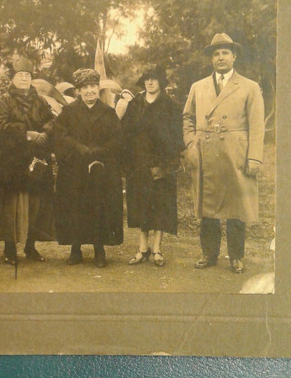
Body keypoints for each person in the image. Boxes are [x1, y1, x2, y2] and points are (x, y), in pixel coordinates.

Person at [183, 33, 265, 274]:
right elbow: (187, 117)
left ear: (234, 56)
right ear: (211, 59)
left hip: (234, 154)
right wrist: (190, 143)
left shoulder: (249, 87)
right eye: (216, 53)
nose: (220, 58)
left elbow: (257, 125)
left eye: (225, 53)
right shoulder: (198, 87)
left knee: (236, 207)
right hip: (205, 152)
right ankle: (209, 254)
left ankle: (236, 257)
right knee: (208, 207)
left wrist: (254, 157)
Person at [54, 68, 123, 268]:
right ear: (78, 90)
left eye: (93, 86)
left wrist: (100, 150)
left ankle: (99, 250)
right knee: (75, 207)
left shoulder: (108, 112)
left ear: (98, 88)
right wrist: (78, 147)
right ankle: (75, 250)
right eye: (85, 87)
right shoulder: (69, 112)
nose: (89, 91)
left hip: (100, 169)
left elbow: (117, 139)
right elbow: (60, 136)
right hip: (74, 169)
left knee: (98, 207)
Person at [0, 57, 56, 265]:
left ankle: (31, 247)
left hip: (36, 159)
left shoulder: (40, 100)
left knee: (36, 204)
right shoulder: (4, 100)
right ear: (13, 78)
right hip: (13, 161)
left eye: (28, 76)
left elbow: (52, 120)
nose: (24, 79)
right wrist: (26, 134)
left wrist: (45, 132)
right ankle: (9, 248)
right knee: (12, 205)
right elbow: (0, 125)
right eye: (20, 75)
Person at [122, 64, 184, 267]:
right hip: (138, 164)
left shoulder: (171, 106)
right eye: (147, 78)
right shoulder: (134, 105)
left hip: (161, 165)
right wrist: (128, 164)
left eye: (154, 78)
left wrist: (167, 166)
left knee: (160, 207)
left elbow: (177, 138)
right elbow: (125, 135)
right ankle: (142, 249)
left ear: (161, 82)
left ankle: (157, 249)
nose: (150, 82)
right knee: (140, 207)